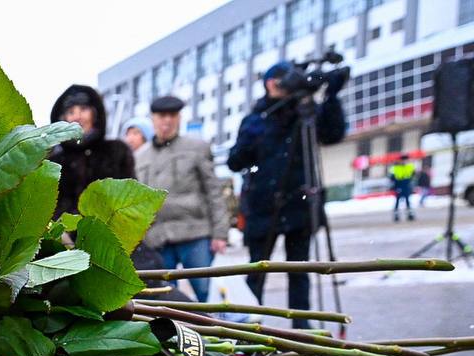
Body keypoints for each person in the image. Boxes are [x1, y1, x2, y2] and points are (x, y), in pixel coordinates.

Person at [227, 61, 346, 329]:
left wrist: (331, 97)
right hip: (262, 206)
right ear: (271, 84)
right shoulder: (258, 118)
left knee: (299, 270)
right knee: (257, 270)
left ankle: (301, 326)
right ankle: (249, 325)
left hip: (299, 204)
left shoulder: (305, 113)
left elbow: (333, 134)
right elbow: (236, 160)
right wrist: (259, 135)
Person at [135, 96, 230, 302]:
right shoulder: (140, 156)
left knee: (204, 293)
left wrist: (220, 233)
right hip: (157, 237)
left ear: (179, 117)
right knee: (164, 297)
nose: (167, 120)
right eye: (162, 115)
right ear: (153, 118)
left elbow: (214, 191)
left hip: (195, 232)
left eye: (172, 115)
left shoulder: (197, 147)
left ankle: (210, 324)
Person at [49, 84, 135, 217]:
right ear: (63, 119)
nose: (77, 117)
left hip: (110, 227)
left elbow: (130, 198)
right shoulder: (54, 163)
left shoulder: (117, 152)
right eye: (71, 112)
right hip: (65, 229)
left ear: (95, 114)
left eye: (83, 109)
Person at [390, 157, 416, 221]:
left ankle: (410, 214)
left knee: (407, 201)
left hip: (406, 186)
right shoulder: (395, 168)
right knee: (397, 201)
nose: (404, 162)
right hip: (399, 186)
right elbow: (392, 178)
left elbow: (413, 174)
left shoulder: (409, 167)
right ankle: (396, 215)